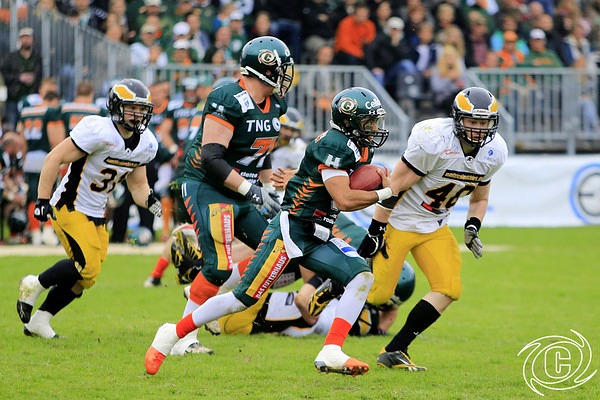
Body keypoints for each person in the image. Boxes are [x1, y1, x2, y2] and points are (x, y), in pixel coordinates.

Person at [145, 86, 393, 377]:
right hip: (293, 231)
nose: (374, 128)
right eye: (368, 122)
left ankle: (332, 350)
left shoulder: (358, 146)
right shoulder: (336, 144)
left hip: (319, 231)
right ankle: (172, 332)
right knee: (241, 299)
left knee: (361, 274)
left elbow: (320, 177)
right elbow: (345, 199)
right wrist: (386, 192)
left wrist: (300, 177)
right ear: (350, 122)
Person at [145, 36, 295, 355]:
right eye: (281, 68)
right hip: (208, 186)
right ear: (264, 68)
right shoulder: (228, 98)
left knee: (277, 249)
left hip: (241, 188)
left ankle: (205, 296)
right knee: (218, 266)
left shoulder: (275, 104)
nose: (286, 75)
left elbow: (261, 152)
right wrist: (252, 190)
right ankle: (183, 338)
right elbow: (211, 158)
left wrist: (268, 188)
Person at [355, 87, 508, 371]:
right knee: (378, 296)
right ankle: (336, 282)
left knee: (449, 288)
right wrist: (377, 228)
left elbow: (480, 198)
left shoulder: (494, 151)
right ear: (457, 119)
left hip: (435, 225)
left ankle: (395, 349)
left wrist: (473, 225)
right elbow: (395, 186)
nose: (478, 129)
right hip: (400, 222)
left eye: (483, 122)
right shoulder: (434, 140)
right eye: (472, 121)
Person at [16, 78, 162, 339]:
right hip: (70, 205)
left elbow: (139, 185)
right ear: (116, 107)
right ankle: (34, 283)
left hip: (97, 212)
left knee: (86, 278)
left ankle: (40, 320)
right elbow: (54, 158)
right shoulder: (98, 130)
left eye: (142, 109)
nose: (138, 114)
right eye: (132, 108)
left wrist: (150, 201)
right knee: (87, 266)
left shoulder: (145, 143)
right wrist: (42, 200)